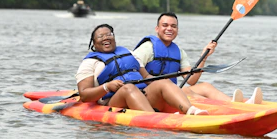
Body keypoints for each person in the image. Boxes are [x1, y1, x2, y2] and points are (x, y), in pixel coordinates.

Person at [75, 23, 209, 115]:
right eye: (100, 36)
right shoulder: (89, 62)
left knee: (163, 81)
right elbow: (84, 95)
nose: (106, 38)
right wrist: (107, 87)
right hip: (113, 102)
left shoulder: (129, 53)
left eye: (109, 34)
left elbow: (146, 77)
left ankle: (190, 110)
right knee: (128, 88)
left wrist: (162, 82)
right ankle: (154, 119)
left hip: (142, 94)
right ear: (93, 43)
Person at [133, 12, 262, 104]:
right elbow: (132, 67)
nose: (169, 29)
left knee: (205, 86)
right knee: (184, 90)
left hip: (170, 92)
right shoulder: (147, 47)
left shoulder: (178, 52)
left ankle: (234, 103)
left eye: (173, 26)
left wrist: (203, 57)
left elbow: (192, 80)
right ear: (157, 28)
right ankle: (220, 107)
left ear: (177, 29)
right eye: (165, 25)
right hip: (146, 94)